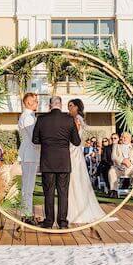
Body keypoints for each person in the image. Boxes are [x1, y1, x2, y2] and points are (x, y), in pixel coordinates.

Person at [32, 96, 81, 229]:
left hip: (47, 161)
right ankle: (63, 222)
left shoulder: (41, 119)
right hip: (64, 162)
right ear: (61, 105)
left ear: (49, 106)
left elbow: (35, 140)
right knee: (63, 193)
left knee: (48, 192)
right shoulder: (69, 119)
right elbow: (76, 142)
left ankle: (48, 222)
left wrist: (47, 141)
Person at [66, 98, 108, 224]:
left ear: (77, 107)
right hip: (74, 151)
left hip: (73, 151)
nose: (69, 108)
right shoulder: (77, 119)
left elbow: (73, 137)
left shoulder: (77, 119)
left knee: (75, 179)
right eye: (68, 106)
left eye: (71, 106)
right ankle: (73, 208)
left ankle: (76, 210)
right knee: (74, 180)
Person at [17, 92, 40, 225]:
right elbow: (35, 138)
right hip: (30, 153)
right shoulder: (28, 117)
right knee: (28, 186)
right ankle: (26, 215)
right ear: (28, 102)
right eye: (35, 101)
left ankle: (27, 213)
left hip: (29, 153)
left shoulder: (28, 116)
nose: (37, 102)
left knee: (28, 186)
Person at [108, 132, 133, 198]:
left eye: (126, 137)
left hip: (131, 168)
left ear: (130, 139)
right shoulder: (116, 146)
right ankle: (114, 191)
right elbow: (113, 157)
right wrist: (122, 161)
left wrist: (130, 162)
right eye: (123, 137)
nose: (124, 138)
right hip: (119, 167)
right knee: (111, 171)